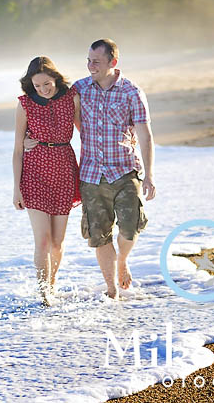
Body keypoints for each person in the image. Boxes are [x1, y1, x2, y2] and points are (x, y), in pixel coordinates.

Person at [26, 39, 156, 299]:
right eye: (88, 60)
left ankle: (122, 260)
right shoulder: (79, 89)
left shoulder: (131, 92)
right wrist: (29, 138)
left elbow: (145, 134)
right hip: (90, 174)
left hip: (125, 170)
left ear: (112, 62)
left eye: (96, 61)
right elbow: (50, 106)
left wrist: (149, 175)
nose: (90, 66)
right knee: (99, 235)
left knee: (130, 228)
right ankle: (111, 289)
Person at [12, 56, 81, 305]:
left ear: (56, 79)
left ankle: (52, 285)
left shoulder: (71, 98)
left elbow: (86, 132)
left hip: (64, 170)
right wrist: (16, 189)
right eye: (37, 86)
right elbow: (18, 149)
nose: (42, 89)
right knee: (42, 240)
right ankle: (44, 294)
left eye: (47, 84)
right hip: (34, 173)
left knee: (57, 242)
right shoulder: (25, 104)